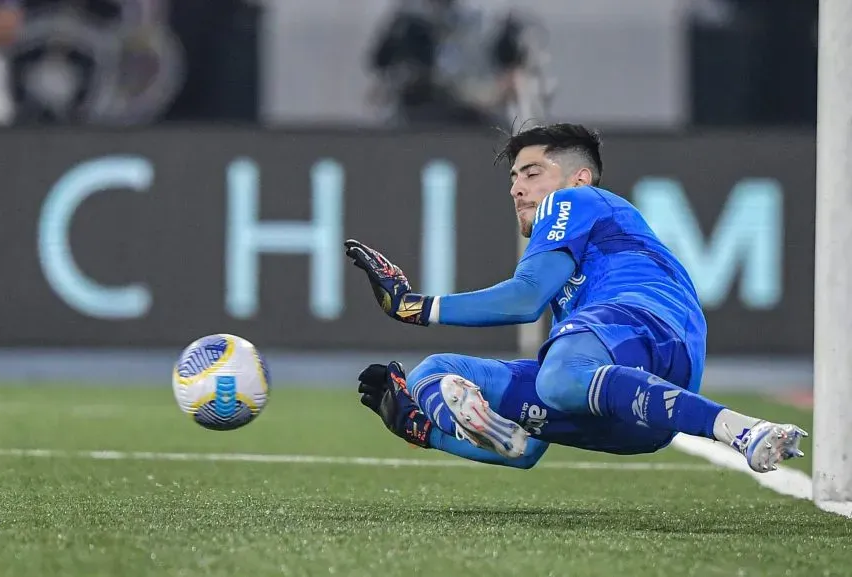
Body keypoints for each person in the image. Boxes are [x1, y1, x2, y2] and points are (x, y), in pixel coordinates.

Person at [344, 123, 807, 473]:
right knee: (435, 372)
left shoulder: (577, 202)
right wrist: (423, 429)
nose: (516, 188)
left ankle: (740, 428)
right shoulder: (573, 272)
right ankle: (438, 430)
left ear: (579, 179)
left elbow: (524, 299)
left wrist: (412, 306)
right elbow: (533, 455)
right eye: (513, 177)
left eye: (531, 172)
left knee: (558, 374)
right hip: (640, 419)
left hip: (649, 325)